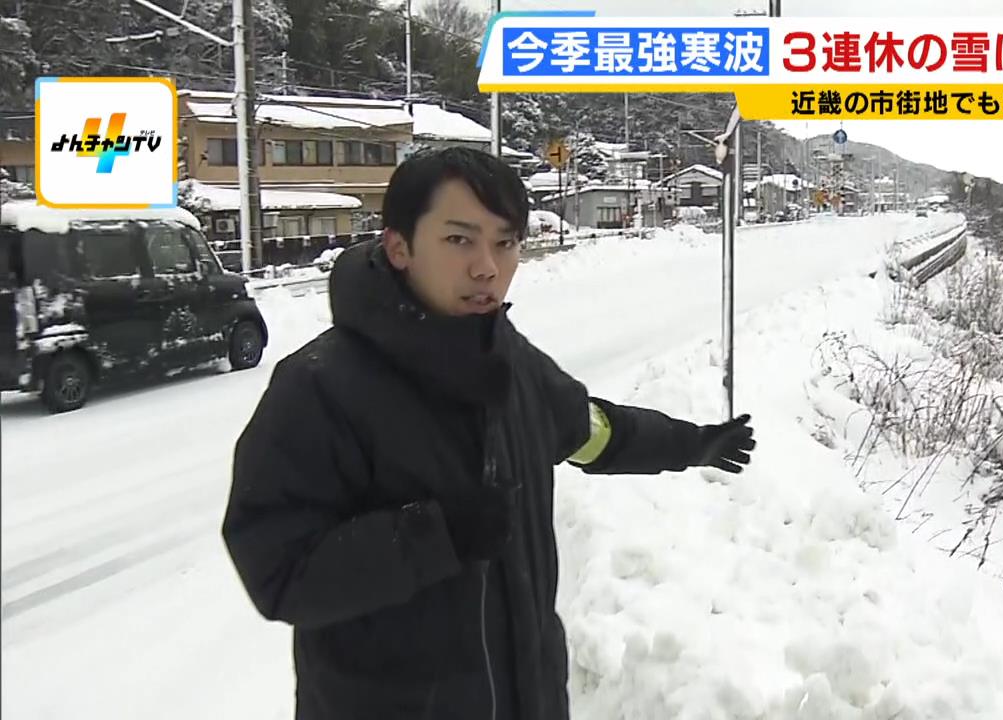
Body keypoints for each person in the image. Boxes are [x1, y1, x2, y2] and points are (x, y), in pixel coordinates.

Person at [222, 146, 757, 720]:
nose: (487, 267)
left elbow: (593, 431)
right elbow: (278, 571)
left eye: (505, 243)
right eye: (460, 240)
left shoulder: (514, 366)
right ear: (398, 245)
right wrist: (433, 536)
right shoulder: (321, 387)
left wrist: (694, 443)